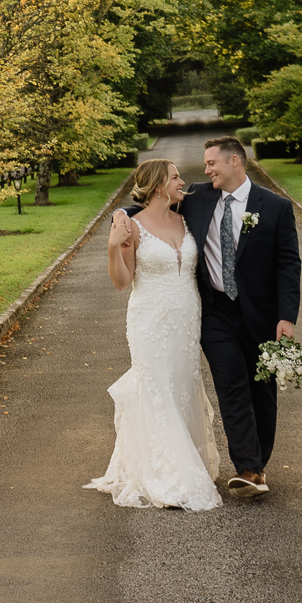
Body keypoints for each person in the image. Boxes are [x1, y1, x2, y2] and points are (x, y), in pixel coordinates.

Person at [84, 158, 224, 510]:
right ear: (160, 184)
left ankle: (186, 459)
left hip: (188, 319)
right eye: (176, 177)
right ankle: (166, 472)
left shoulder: (186, 217)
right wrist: (113, 245)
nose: (182, 182)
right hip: (149, 320)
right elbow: (122, 282)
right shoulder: (132, 226)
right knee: (156, 386)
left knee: (182, 383)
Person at [180, 135, 302, 499]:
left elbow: (288, 264)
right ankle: (247, 467)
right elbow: (156, 203)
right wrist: (124, 213)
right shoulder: (198, 198)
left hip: (262, 316)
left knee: (261, 392)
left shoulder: (276, 207)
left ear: (234, 162)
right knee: (231, 388)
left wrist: (286, 316)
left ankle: (259, 464)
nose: (206, 170)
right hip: (216, 313)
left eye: (211, 163)